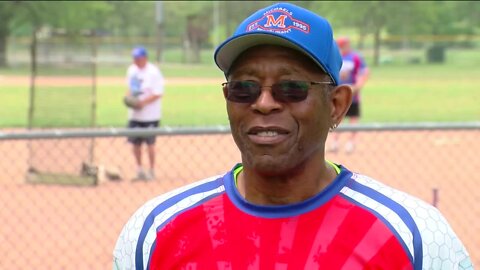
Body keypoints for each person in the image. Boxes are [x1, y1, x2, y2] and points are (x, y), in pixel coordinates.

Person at [113, 3, 472, 269]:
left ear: (336, 105)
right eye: (245, 88)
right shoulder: (155, 232)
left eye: (292, 87)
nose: (264, 103)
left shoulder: (415, 237)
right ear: (228, 100)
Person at [125, 46, 164, 181]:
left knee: (150, 143)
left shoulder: (153, 72)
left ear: (145, 58)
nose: (136, 60)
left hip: (150, 115)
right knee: (135, 143)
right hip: (135, 115)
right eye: (134, 58)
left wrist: (143, 103)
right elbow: (129, 88)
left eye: (138, 58)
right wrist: (129, 99)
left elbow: (158, 93)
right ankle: (139, 170)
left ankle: (152, 170)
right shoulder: (131, 70)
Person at [329, 36, 370, 154]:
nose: (343, 47)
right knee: (336, 117)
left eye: (344, 44)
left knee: (353, 118)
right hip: (337, 93)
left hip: (353, 94)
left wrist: (358, 86)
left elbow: (364, 72)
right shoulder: (336, 57)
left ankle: (350, 143)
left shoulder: (355, 57)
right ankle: (335, 142)